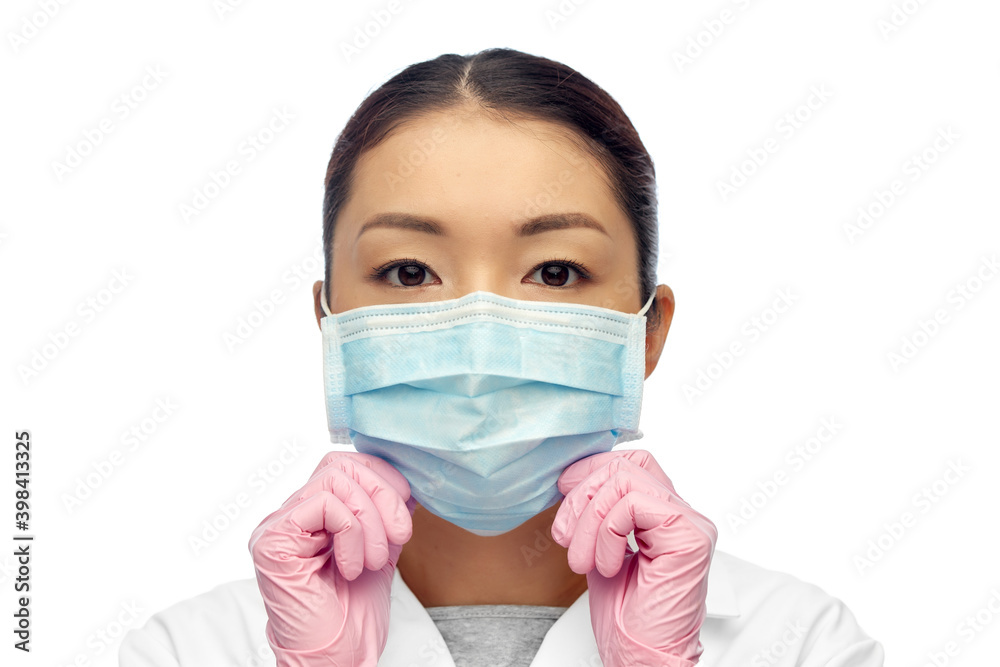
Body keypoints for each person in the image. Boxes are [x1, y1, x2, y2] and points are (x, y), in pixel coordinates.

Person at [120, 47, 885, 667]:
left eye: (554, 271)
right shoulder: (188, 651)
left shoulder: (804, 642)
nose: (480, 345)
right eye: (409, 272)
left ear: (647, 332)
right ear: (331, 325)